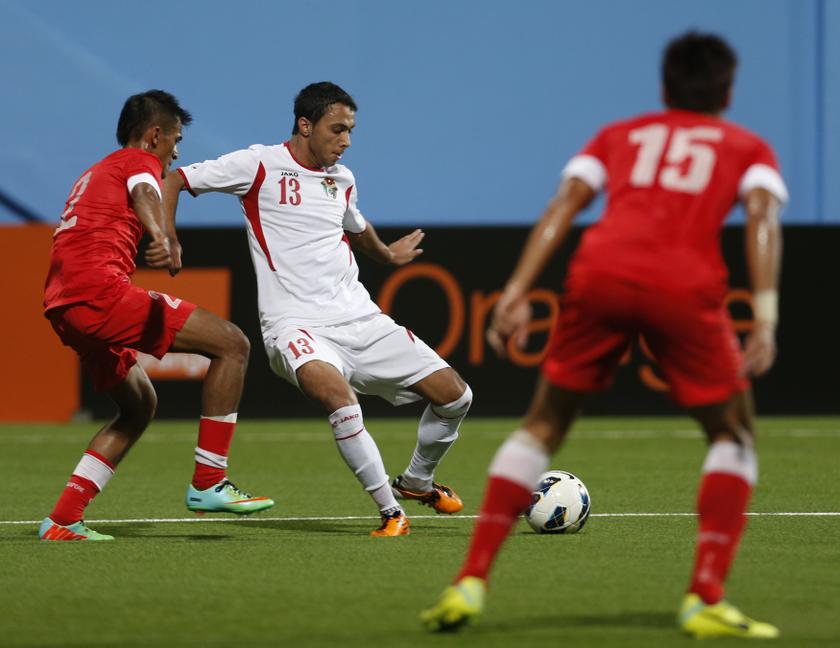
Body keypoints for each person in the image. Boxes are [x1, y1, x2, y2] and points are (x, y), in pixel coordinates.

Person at [421, 32, 785, 639]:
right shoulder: (748, 146)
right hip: (683, 283)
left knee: (542, 425)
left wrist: (515, 289)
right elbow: (764, 218)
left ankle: (471, 580)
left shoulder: (621, 134)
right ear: (727, 91)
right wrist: (766, 319)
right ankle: (705, 597)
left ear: (665, 88)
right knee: (734, 434)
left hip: (601, 273)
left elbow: (566, 201)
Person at [163, 82, 472, 537]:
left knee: (457, 396)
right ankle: (390, 512)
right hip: (295, 325)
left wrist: (386, 255)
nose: (346, 140)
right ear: (305, 126)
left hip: (361, 318)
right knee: (340, 401)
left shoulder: (341, 179)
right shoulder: (259, 164)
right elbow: (176, 179)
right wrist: (166, 236)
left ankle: (416, 482)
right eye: (338, 129)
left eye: (350, 130)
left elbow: (356, 226)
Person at [40, 90, 274, 542]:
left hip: (63, 305)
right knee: (232, 343)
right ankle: (209, 482)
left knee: (138, 406)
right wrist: (160, 233)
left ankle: (63, 520)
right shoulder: (137, 162)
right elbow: (146, 192)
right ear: (154, 135)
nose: (176, 151)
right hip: (98, 293)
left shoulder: (95, 171)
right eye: (176, 140)